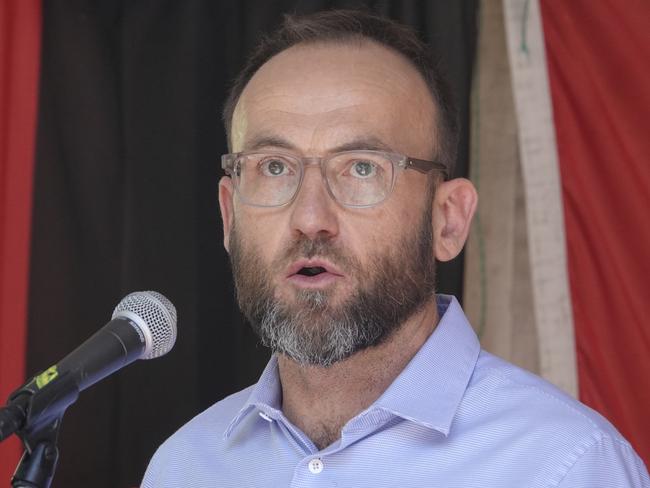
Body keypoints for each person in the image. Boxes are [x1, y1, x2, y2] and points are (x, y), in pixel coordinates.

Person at [142, 9, 649, 487]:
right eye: (274, 167)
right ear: (229, 216)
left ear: (448, 221)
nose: (310, 219)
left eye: (362, 167)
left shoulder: (566, 466)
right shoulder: (183, 467)